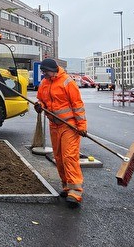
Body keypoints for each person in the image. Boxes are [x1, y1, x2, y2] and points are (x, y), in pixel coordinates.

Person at [34, 58, 86, 208]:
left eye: (45, 72)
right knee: (59, 157)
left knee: (69, 156)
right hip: (54, 125)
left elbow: (78, 105)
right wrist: (40, 106)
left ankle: (76, 192)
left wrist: (81, 125)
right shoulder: (44, 83)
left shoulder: (67, 82)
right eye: (43, 72)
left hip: (69, 125)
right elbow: (41, 100)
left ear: (53, 70)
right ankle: (67, 186)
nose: (44, 75)